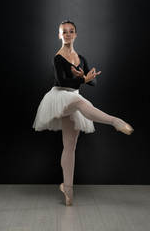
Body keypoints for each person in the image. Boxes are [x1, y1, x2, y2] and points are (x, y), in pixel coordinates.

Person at [33, 20, 134, 206]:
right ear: (59, 35)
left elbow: (92, 82)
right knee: (79, 103)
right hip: (59, 98)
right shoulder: (57, 57)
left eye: (71, 31)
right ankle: (115, 121)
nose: (68, 34)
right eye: (64, 31)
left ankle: (68, 188)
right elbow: (61, 80)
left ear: (76, 34)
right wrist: (83, 79)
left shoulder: (82, 58)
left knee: (70, 146)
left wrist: (86, 78)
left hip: (73, 97)